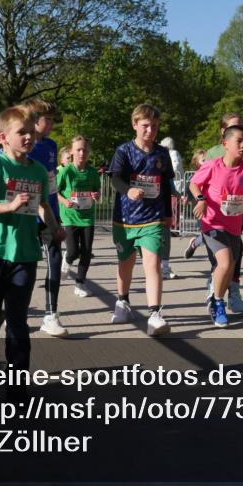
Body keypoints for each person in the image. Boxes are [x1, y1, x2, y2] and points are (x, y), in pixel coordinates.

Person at [0, 106, 65, 371]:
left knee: (18, 321)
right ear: (3, 137)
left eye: (31, 132)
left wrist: (56, 228)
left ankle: (18, 388)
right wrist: (7, 207)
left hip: (24, 253)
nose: (28, 138)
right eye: (21, 132)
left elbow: (43, 204)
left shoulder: (38, 170)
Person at [189, 125, 243, 327]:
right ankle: (217, 303)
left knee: (230, 267)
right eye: (239, 141)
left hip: (234, 226)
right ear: (226, 144)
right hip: (212, 223)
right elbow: (193, 183)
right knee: (224, 263)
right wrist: (201, 199)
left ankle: (216, 298)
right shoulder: (212, 166)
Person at [109, 104, 175, 337]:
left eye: (154, 126)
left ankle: (155, 314)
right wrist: (127, 190)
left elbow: (166, 184)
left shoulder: (162, 153)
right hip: (125, 220)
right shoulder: (124, 151)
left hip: (153, 218)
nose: (150, 130)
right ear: (135, 125)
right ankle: (123, 301)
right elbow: (115, 179)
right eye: (145, 126)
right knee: (126, 263)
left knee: (153, 263)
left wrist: (168, 213)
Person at [22, 98, 69, 338]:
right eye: (46, 119)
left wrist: (56, 215)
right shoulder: (23, 146)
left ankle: (51, 314)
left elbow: (51, 183)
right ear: (33, 120)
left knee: (55, 260)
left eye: (52, 120)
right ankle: (17, 314)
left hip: (49, 213)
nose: (51, 124)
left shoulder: (52, 145)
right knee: (24, 268)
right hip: (25, 215)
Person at [202, 112, 243, 314]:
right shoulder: (213, 155)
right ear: (224, 133)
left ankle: (233, 293)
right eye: (234, 127)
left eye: (241, 126)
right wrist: (201, 200)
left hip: (237, 214)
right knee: (222, 259)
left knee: (235, 255)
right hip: (213, 217)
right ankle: (216, 293)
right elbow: (199, 180)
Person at [57, 135, 100, 298]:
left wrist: (96, 195)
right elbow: (55, 192)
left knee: (87, 251)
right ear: (72, 152)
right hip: (70, 216)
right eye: (78, 150)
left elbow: (97, 191)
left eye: (85, 150)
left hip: (87, 216)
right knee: (73, 251)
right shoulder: (66, 171)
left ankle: (80, 283)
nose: (82, 153)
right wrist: (64, 201)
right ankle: (67, 261)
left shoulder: (92, 172)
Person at [159, 136, 183, 280]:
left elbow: (172, 187)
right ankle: (157, 266)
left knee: (165, 238)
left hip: (164, 208)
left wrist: (181, 195)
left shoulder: (167, 167)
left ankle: (165, 267)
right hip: (149, 210)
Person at [183, 149, 209, 260]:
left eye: (207, 159)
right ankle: (195, 243)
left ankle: (195, 243)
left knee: (212, 234)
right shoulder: (194, 175)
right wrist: (186, 198)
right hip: (200, 208)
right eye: (203, 160)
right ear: (197, 162)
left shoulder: (212, 171)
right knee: (208, 234)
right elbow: (188, 188)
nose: (206, 162)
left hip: (213, 208)